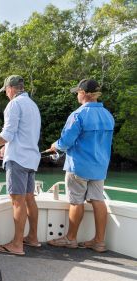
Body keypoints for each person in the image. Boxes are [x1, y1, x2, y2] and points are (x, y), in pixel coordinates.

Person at [47, 79, 114, 253]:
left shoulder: (78, 115)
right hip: (100, 167)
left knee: (76, 202)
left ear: (84, 94)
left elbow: (66, 142)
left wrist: (55, 145)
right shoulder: (108, 115)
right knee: (98, 200)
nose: (77, 94)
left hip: (79, 166)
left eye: (78, 92)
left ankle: (70, 239)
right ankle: (99, 242)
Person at [0, 75, 41, 255]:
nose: (6, 94)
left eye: (5, 90)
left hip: (18, 160)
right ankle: (33, 238)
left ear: (11, 88)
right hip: (31, 159)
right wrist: (6, 148)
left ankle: (16, 244)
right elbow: (23, 133)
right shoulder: (33, 105)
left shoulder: (14, 104)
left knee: (17, 201)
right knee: (29, 198)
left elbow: (7, 133)